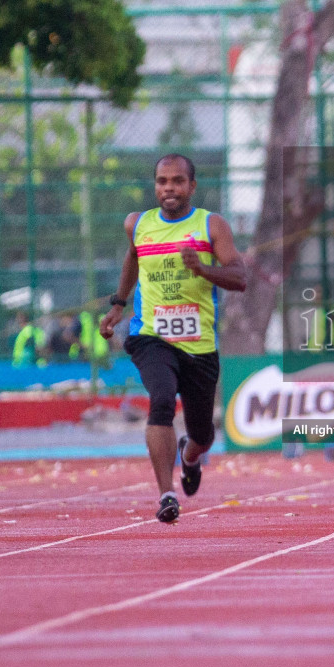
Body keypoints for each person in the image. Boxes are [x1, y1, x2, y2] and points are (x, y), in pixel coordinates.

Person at [99, 154, 246, 524]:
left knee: (202, 434)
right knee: (161, 399)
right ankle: (166, 493)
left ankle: (190, 456)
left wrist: (201, 268)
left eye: (178, 181)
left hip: (199, 345)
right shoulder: (138, 224)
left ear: (191, 186)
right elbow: (133, 258)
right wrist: (118, 305)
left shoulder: (211, 225)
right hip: (151, 335)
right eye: (163, 181)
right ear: (155, 186)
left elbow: (240, 277)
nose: (169, 188)